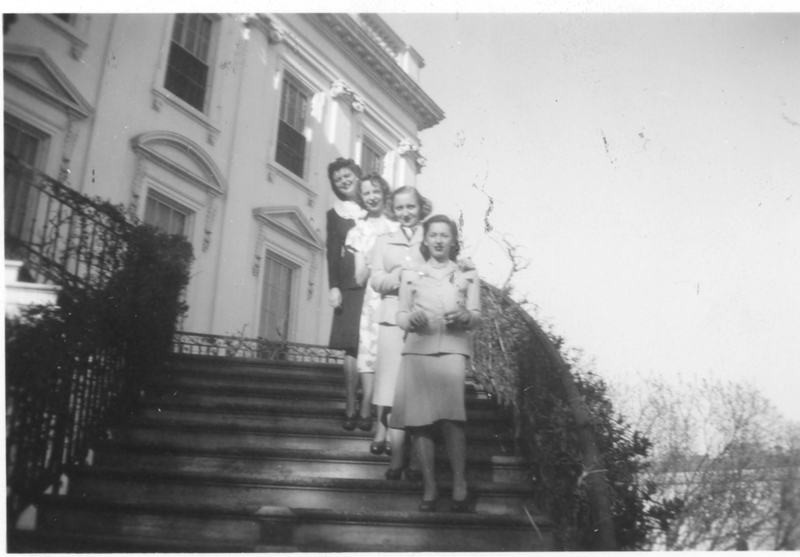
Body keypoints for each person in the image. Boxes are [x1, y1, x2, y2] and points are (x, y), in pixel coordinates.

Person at [391, 214, 481, 513]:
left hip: (453, 349)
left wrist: (467, 317)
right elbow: (400, 315)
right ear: (425, 240)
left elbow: (476, 314)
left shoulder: (467, 274)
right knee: (420, 424)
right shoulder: (411, 273)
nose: (439, 240)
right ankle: (429, 487)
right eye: (433, 235)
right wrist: (410, 319)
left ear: (453, 241)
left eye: (445, 235)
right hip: (418, 350)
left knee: (452, 419)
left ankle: (459, 483)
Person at [369, 186, 432, 476]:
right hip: (392, 318)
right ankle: (396, 459)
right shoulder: (384, 241)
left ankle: (419, 459)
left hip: (422, 318)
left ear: (421, 208)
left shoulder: (430, 238)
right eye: (400, 208)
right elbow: (376, 280)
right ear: (393, 211)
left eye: (411, 207)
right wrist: (400, 277)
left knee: (419, 391)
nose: (406, 213)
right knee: (392, 390)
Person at [344, 173, 399, 442]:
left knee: (389, 359)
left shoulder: (396, 227)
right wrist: (371, 257)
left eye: (376, 191)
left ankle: (384, 423)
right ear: (361, 198)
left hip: (394, 298)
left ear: (384, 193)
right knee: (368, 357)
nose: (372, 197)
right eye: (366, 193)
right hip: (371, 300)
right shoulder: (357, 231)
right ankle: (366, 408)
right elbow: (358, 277)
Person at [326, 158, 370, 431]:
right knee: (352, 346)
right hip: (350, 283)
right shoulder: (334, 214)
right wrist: (334, 286)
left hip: (376, 282)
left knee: (372, 345)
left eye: (347, 175)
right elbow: (332, 252)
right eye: (337, 178)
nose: (343, 181)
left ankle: (367, 409)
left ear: (357, 175)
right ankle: (351, 406)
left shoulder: (375, 204)